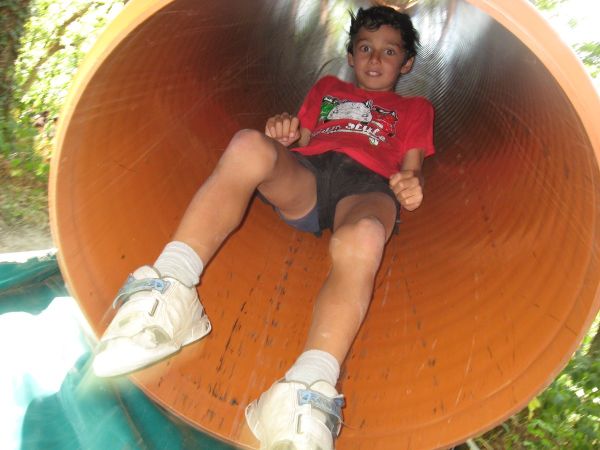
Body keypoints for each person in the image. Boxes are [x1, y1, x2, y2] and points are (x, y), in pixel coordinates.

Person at [92, 5, 434, 450]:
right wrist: (285, 134)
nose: (375, 58)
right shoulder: (327, 88)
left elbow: (412, 167)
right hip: (310, 174)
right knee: (248, 145)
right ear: (350, 55)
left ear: (406, 63)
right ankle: (170, 287)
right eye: (365, 48)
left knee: (365, 236)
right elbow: (302, 138)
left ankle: (306, 389)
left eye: (389, 51)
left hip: (368, 186)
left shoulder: (416, 108)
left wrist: (410, 185)